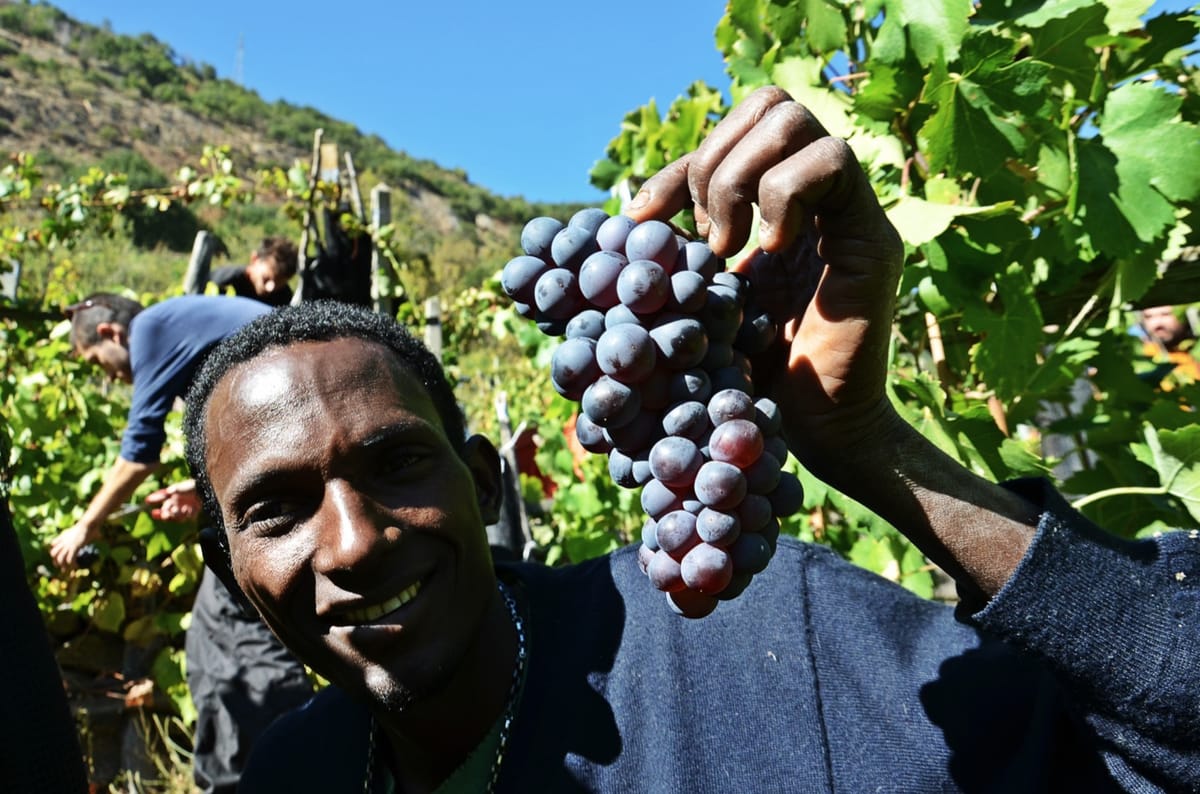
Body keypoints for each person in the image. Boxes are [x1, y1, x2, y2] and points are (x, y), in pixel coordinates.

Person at [181, 88, 1198, 792]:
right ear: (223, 560)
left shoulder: (772, 637)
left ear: (485, 480)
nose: (354, 539)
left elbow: (1161, 749)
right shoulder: (292, 772)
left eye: (396, 460)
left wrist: (873, 444)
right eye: (277, 505)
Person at [47, 293, 313, 794]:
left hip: (296, 455)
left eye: (96, 363)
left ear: (109, 334)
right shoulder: (181, 329)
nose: (108, 377)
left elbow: (137, 457)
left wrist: (85, 526)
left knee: (232, 638)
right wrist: (199, 491)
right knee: (221, 636)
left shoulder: (147, 333)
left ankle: (277, 774)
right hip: (298, 445)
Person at [209, 236, 298, 308]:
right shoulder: (224, 280)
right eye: (266, 278)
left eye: (279, 284)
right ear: (254, 259)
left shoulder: (283, 297)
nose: (270, 288)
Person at [1138, 304, 1200, 383]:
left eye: (1165, 314)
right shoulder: (1143, 356)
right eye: (1148, 316)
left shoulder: (1196, 353)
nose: (1157, 323)